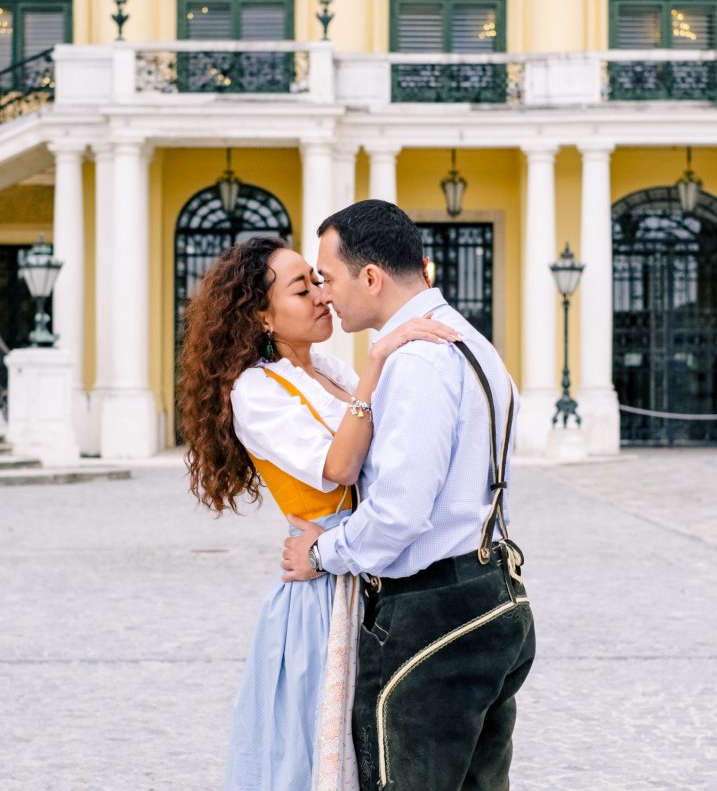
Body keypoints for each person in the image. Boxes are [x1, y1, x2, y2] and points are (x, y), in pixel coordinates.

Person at [177, 235, 459, 791]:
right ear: (261, 314)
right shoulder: (254, 391)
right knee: (316, 749)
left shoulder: (327, 366)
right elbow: (343, 465)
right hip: (323, 587)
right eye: (301, 288)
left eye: (318, 282)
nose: (321, 297)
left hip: (365, 560)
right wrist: (380, 355)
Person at [282, 200, 536, 791]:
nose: (325, 295)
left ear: (370, 277)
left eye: (330, 278)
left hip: (431, 620)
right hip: (495, 593)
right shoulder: (474, 343)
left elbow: (398, 513)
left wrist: (320, 553)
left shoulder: (417, 360)